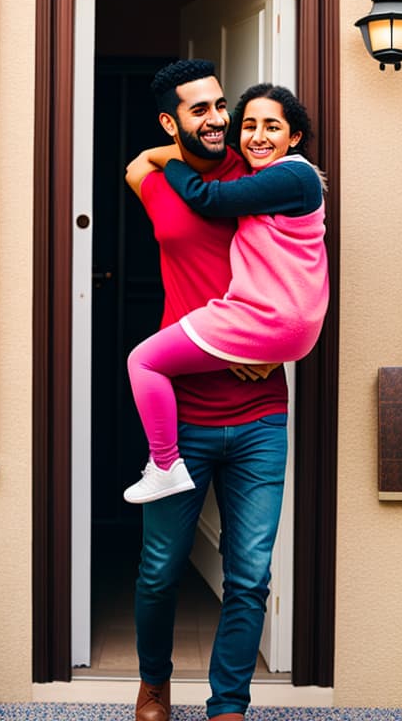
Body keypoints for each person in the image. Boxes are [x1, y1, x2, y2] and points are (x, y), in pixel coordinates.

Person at [125, 58, 291, 721]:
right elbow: (138, 164)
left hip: (260, 414)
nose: (220, 118)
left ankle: (229, 706)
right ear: (172, 121)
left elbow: (307, 278)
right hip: (183, 415)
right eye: (201, 109)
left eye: (221, 104)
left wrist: (274, 349)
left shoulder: (264, 178)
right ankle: (154, 684)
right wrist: (174, 149)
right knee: (159, 569)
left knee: (249, 577)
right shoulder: (158, 178)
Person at [124, 81, 329, 505]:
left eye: (272, 126)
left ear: (293, 138)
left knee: (142, 361)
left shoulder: (293, 173)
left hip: (269, 320)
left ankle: (164, 464)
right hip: (284, 322)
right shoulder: (271, 179)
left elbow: (207, 198)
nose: (257, 135)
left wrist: (158, 155)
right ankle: (166, 465)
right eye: (249, 125)